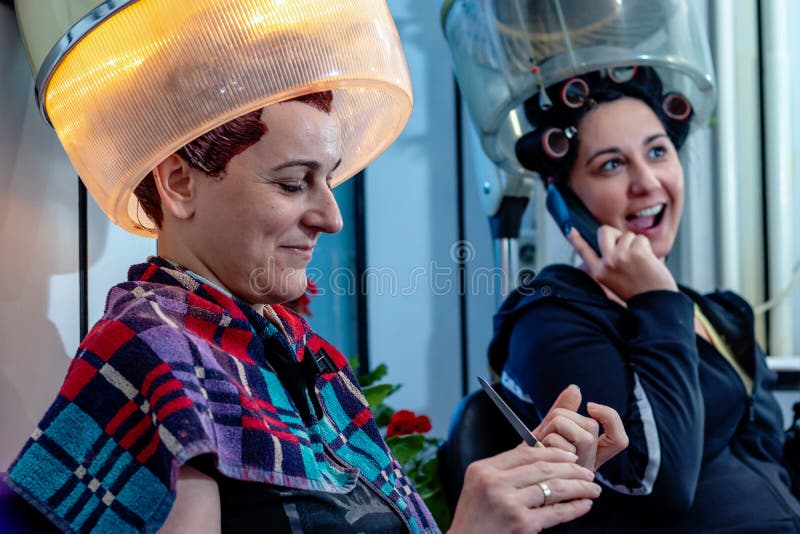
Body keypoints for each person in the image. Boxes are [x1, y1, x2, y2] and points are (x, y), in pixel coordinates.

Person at [5, 85, 628, 532]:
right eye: (290, 182)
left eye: (329, 180)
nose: (330, 216)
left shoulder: (305, 358)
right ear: (179, 183)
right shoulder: (154, 354)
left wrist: (529, 493)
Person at [489, 66, 800, 532]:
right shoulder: (551, 320)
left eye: (658, 152)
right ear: (565, 199)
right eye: (611, 164)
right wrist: (655, 299)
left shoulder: (712, 312)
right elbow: (660, 483)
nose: (647, 182)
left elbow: (765, 461)